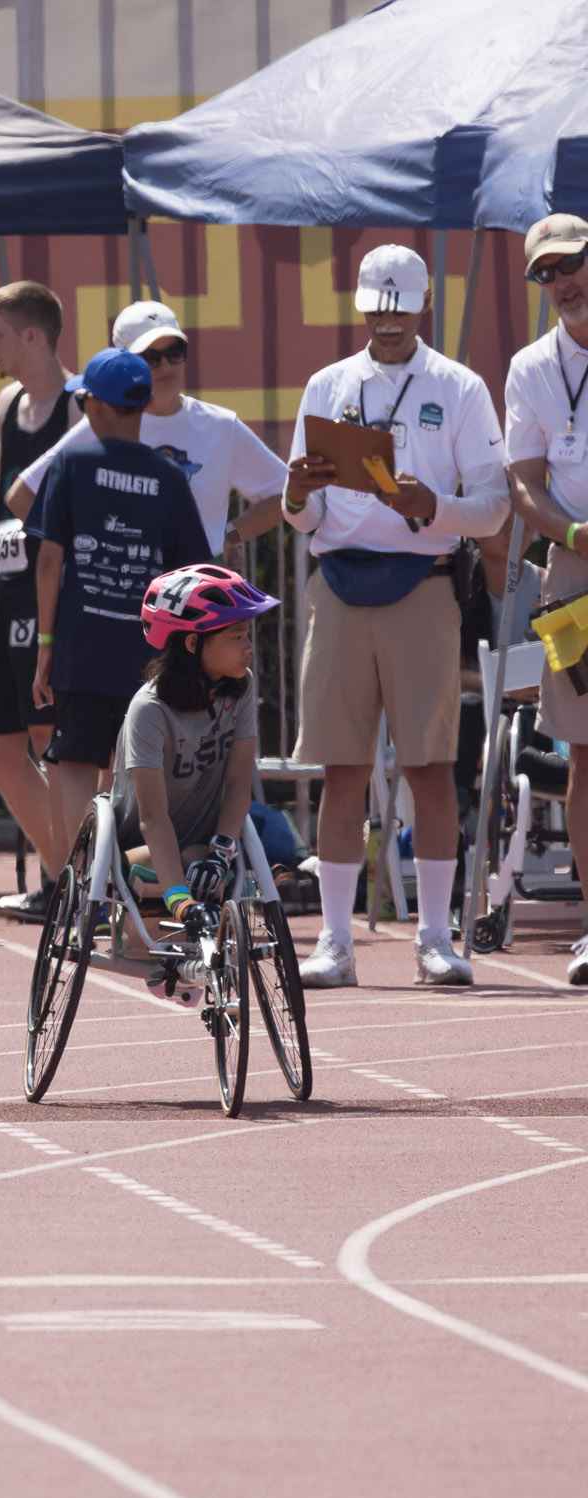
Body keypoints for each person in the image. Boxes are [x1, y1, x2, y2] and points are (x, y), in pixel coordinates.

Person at [282, 243, 510, 989]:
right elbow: (304, 511)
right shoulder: (327, 384)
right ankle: (336, 942)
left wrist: (432, 506)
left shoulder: (462, 387)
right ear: (361, 307)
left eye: (399, 307)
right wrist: (295, 493)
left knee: (430, 767)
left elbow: (495, 504)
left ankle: (435, 938)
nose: (386, 321)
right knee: (342, 770)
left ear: (422, 307)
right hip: (339, 582)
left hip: (424, 583)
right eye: (375, 308)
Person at [26, 347, 214, 867]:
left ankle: (84, 893)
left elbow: (48, 561)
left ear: (98, 406)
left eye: (84, 400)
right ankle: (132, 893)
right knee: (142, 772)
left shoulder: (71, 464)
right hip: (149, 657)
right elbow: (192, 574)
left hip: (81, 648)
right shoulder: (170, 478)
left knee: (76, 764)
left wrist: (45, 645)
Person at [10, 301, 289, 561]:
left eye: (174, 352)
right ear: (124, 362)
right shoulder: (103, 423)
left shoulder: (221, 425)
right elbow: (21, 496)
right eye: (151, 357)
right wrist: (91, 554)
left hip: (196, 593)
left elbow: (282, 493)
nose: (165, 365)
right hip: (122, 596)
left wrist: (229, 536)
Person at [115, 564, 278, 1004]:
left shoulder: (239, 690)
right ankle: (151, 930)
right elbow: (151, 817)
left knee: (203, 861)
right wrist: (177, 897)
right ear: (193, 642)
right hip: (145, 846)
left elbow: (240, 781)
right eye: (237, 636)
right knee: (169, 875)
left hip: (206, 843)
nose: (249, 648)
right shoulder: (149, 711)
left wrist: (222, 850)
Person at [0, 282, 76, 923]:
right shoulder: (10, 402)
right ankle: (63, 870)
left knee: (47, 737)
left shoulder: (81, 406)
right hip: (5, 592)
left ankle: (64, 881)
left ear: (32, 336)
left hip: (51, 595)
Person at [503, 214, 588, 983]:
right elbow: (524, 483)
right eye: (546, 273)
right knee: (586, 756)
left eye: (572, 263)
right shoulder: (530, 367)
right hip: (577, 573)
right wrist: (575, 533)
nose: (561, 281)